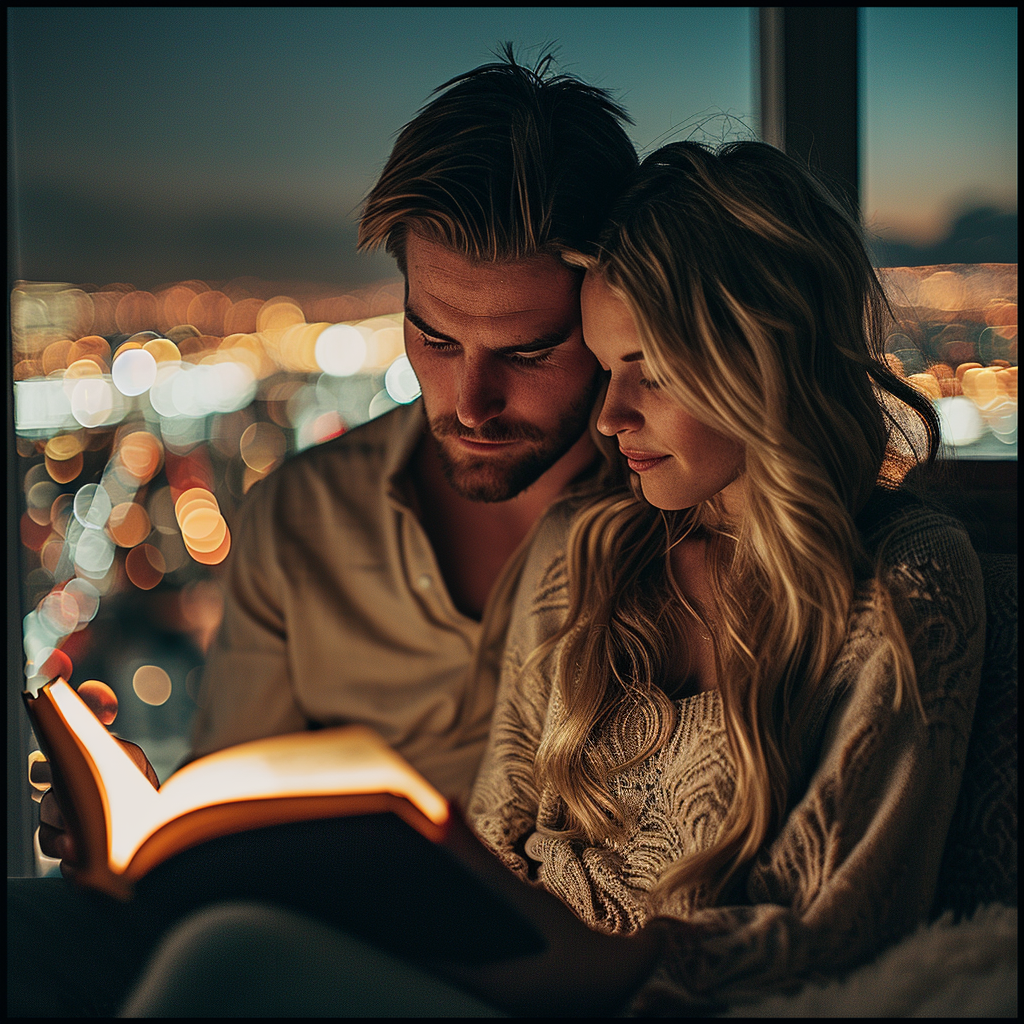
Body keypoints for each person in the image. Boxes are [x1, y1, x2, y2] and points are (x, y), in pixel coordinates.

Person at [110, 141, 985, 1017]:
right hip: (501, 986)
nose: (611, 416)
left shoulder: (907, 579)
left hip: (631, 998)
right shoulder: (589, 551)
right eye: (607, 370)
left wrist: (602, 968)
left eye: (650, 368)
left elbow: (845, 924)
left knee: (224, 962)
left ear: (764, 356)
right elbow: (496, 849)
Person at [8, 46, 636, 1017]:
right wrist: (144, 821)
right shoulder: (306, 515)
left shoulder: (675, 516)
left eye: (529, 350)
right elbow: (231, 806)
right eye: (433, 336)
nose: (470, 399)